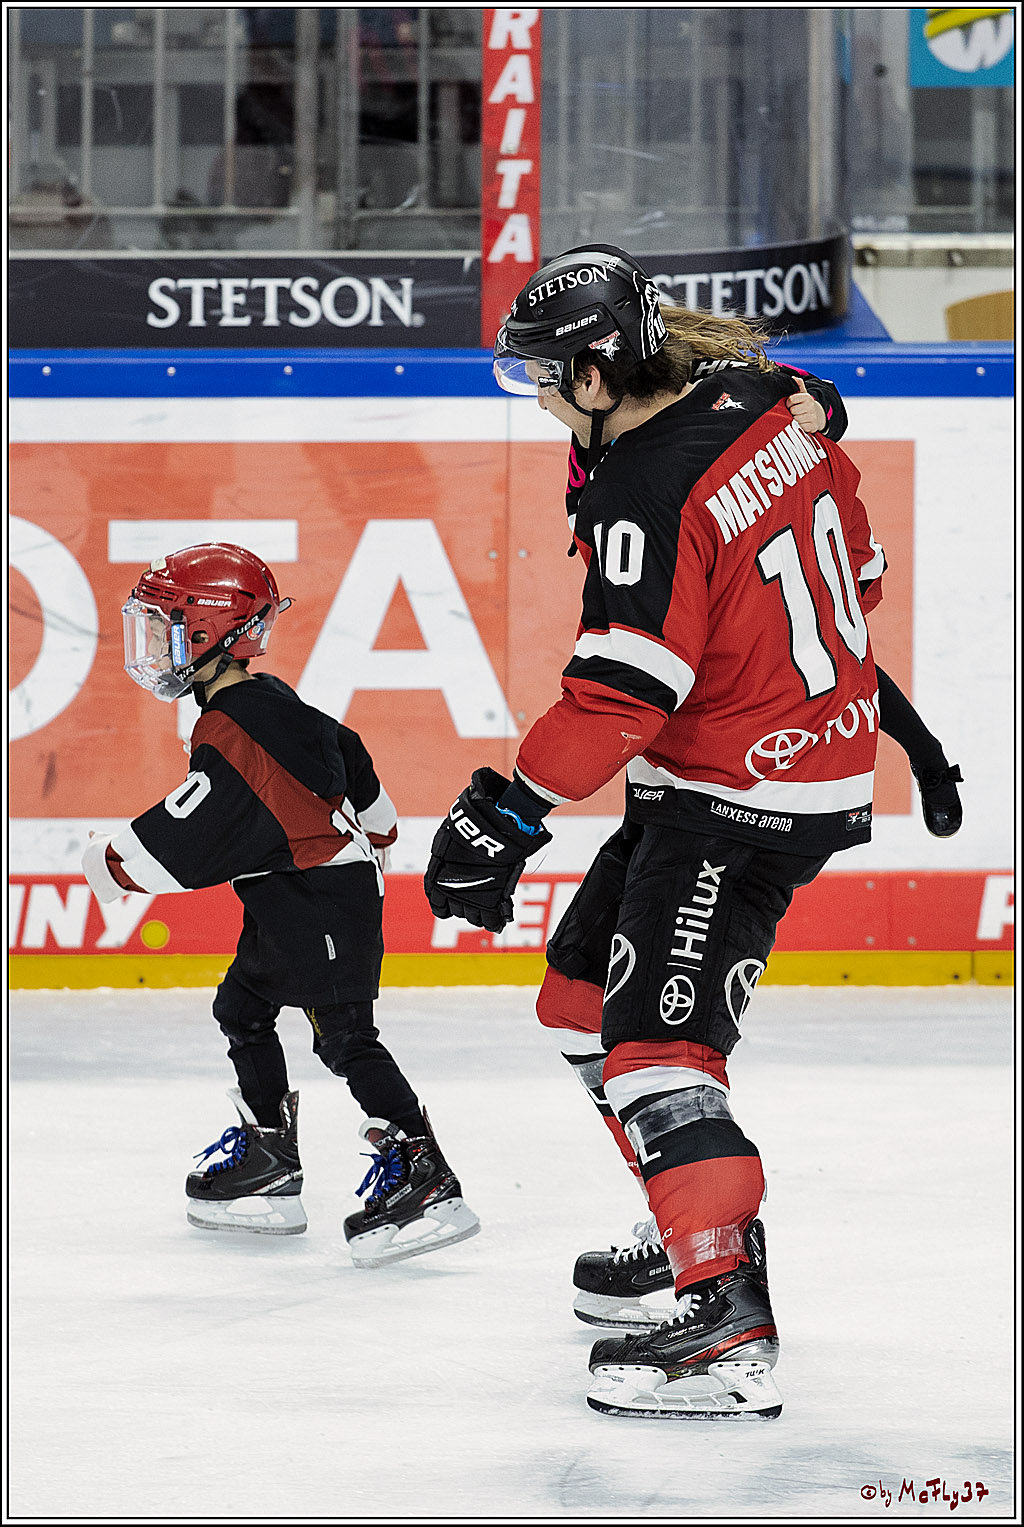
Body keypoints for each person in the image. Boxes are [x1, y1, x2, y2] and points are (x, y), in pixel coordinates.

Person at [424, 243, 906, 1420]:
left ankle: (724, 1315)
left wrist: (508, 812)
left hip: (741, 795)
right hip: (761, 763)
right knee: (579, 1004)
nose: (536, 401)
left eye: (543, 378)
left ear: (597, 374)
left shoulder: (646, 482)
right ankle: (694, 1224)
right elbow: (865, 565)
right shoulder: (755, 397)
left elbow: (622, 693)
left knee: (655, 1054)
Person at [82, 542, 479, 1265]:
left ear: (206, 634)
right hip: (290, 890)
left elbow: (197, 819)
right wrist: (374, 817)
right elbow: (352, 761)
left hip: (323, 894)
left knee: (346, 1039)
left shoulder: (235, 724)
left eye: (167, 624)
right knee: (241, 1006)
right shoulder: (266, 705)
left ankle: (426, 1174)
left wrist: (112, 862)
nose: (155, 644)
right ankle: (271, 1160)